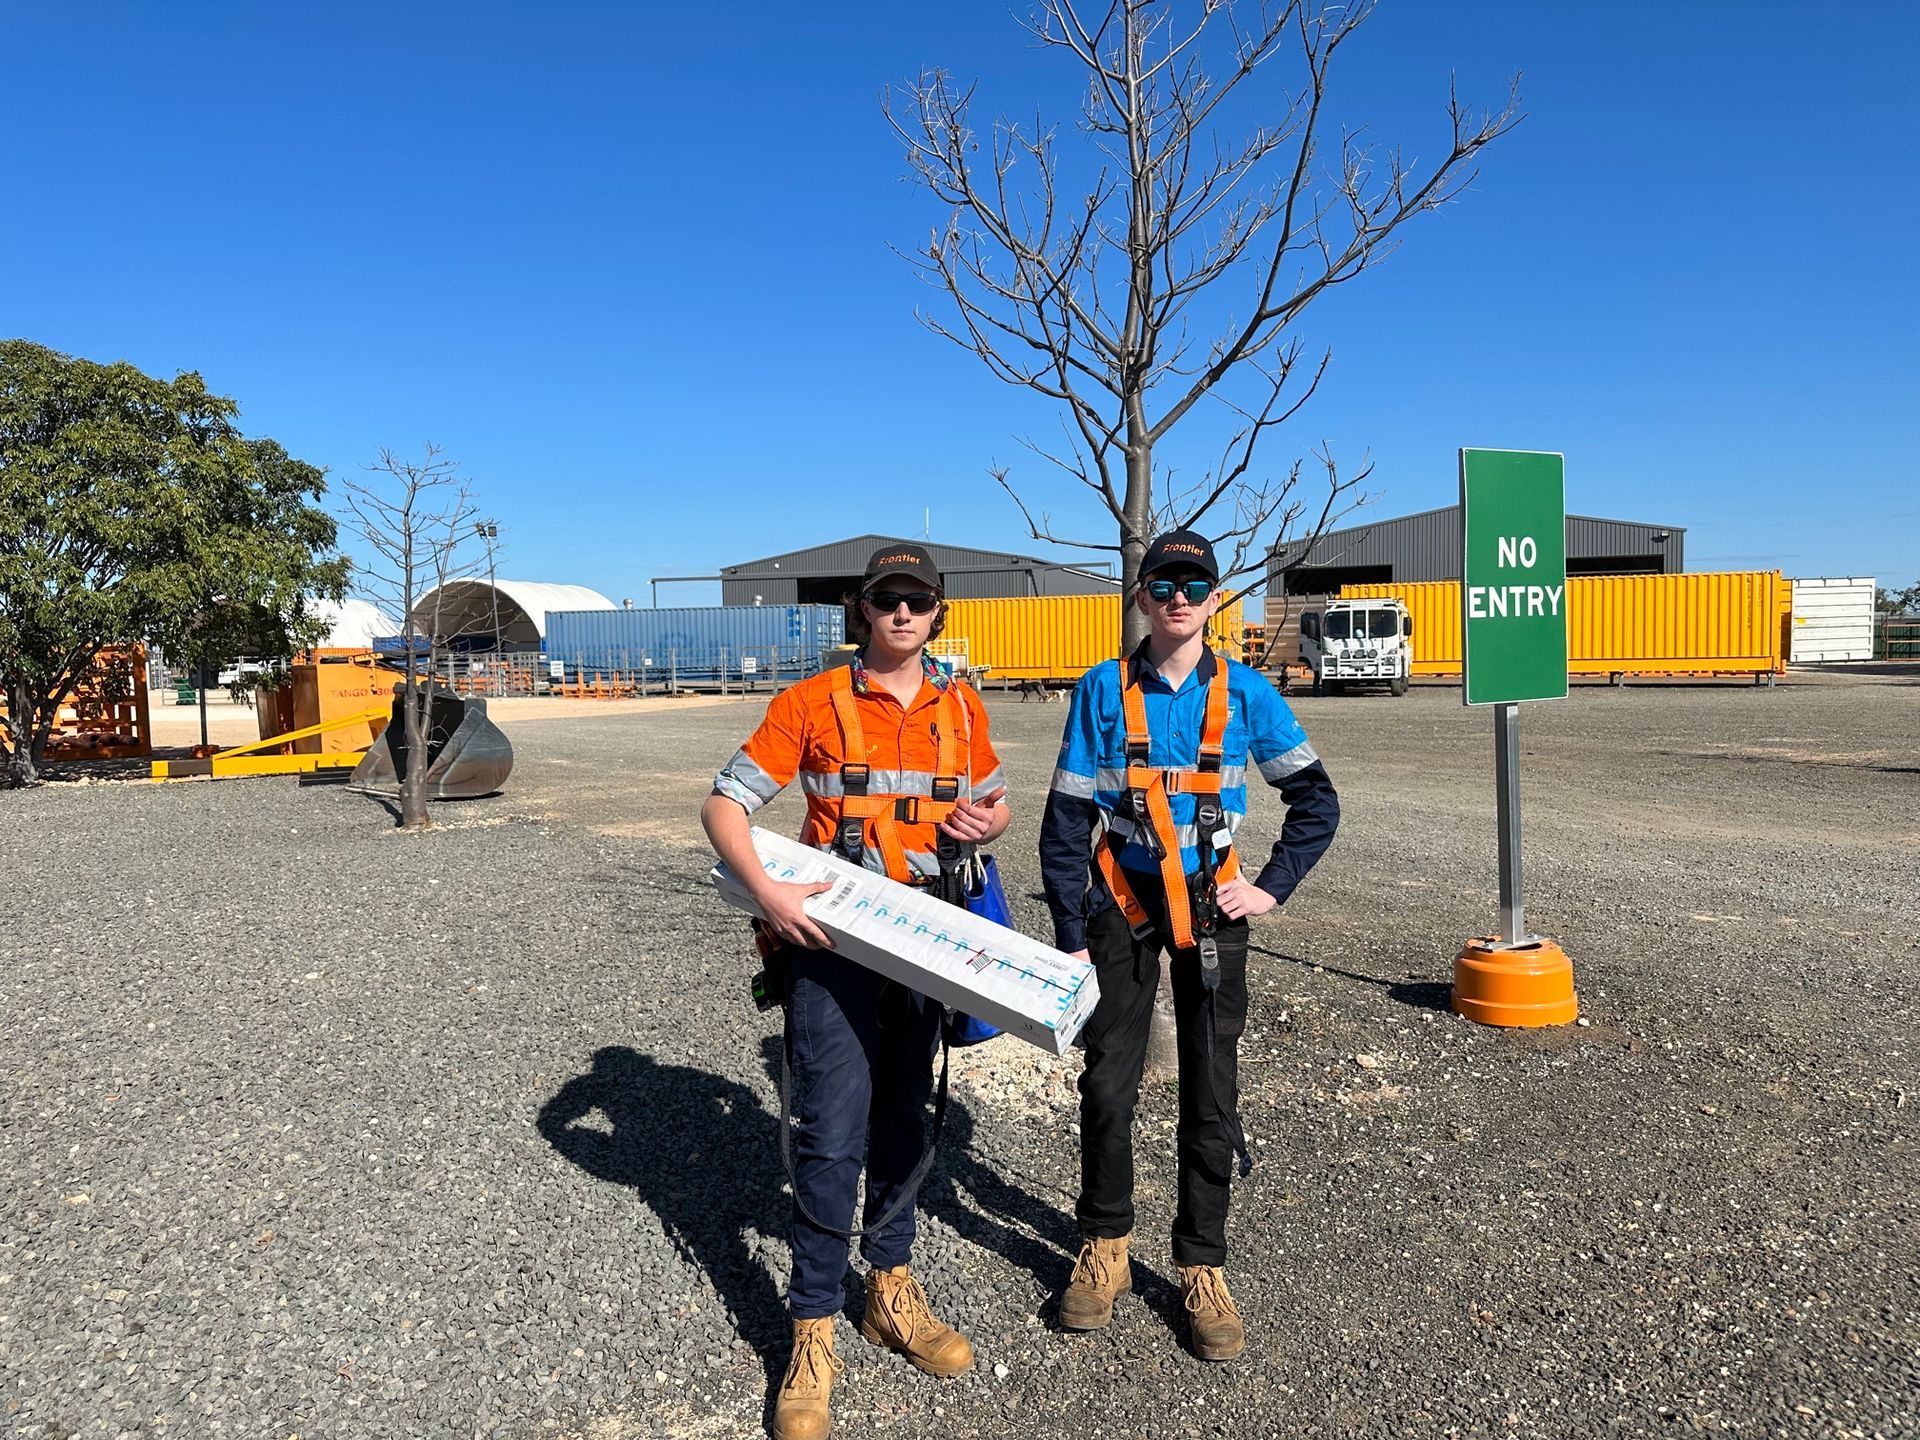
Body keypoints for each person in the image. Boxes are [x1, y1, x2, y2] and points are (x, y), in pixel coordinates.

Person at [701, 542, 1011, 1440]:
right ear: (863, 612)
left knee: (907, 1122)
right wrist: (766, 890)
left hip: (928, 945)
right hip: (831, 945)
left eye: (918, 600)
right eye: (887, 601)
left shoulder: (961, 704)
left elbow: (995, 802)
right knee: (831, 1133)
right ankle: (811, 1328)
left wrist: (986, 817)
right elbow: (725, 805)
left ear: (938, 611)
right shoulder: (812, 703)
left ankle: (891, 1287)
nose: (903, 615)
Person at [1038, 528, 1339, 1361]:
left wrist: (1270, 887)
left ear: (1214, 599)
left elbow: (1317, 802)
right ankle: (1104, 1245)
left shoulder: (1247, 695)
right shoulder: (1100, 690)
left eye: (1193, 584)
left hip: (1213, 908)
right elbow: (1065, 821)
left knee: (1211, 1090)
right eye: (1162, 582)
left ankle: (1201, 1263)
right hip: (1122, 907)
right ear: (1141, 596)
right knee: (1107, 1082)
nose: (1177, 596)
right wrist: (1070, 933)